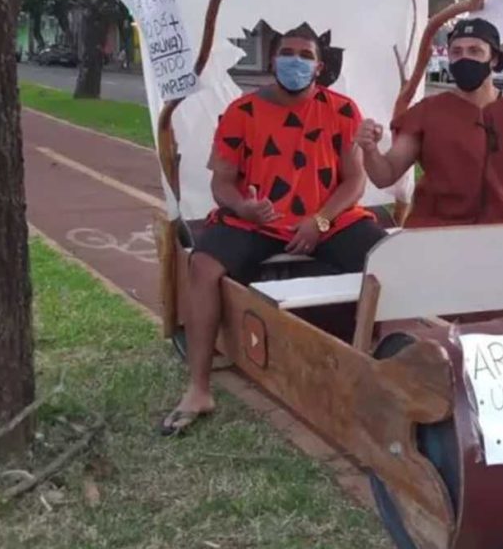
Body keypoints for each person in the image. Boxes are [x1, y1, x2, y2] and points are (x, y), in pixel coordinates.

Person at [160, 24, 386, 436]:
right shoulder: (241, 113)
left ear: (319, 67)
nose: (295, 61)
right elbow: (221, 183)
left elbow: (354, 182)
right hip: (257, 220)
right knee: (203, 267)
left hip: (326, 220)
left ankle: (377, 364)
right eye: (288, 53)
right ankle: (198, 386)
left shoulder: (342, 109)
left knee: (386, 261)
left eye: (305, 55)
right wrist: (244, 205)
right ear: (272, 60)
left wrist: (320, 221)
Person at [357, 17, 503, 227]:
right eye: (457, 52)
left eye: (475, 51)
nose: (465, 58)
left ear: (493, 59)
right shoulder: (427, 111)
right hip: (439, 232)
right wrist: (370, 149)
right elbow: (384, 175)